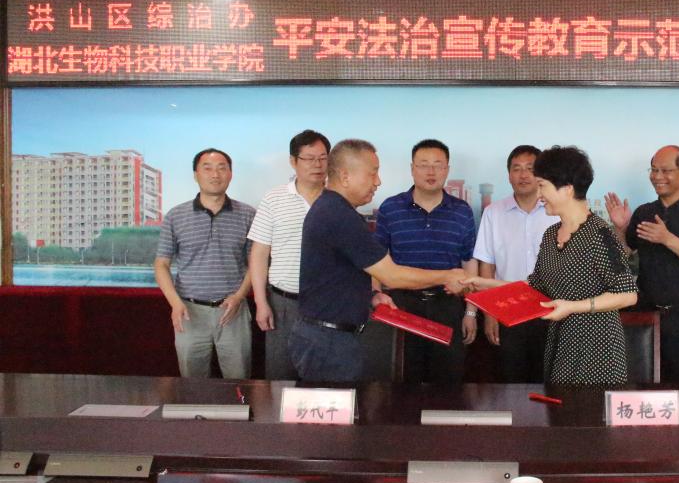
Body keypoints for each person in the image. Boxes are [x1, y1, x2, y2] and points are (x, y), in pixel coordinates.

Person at [293, 139, 467, 383]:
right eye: (372, 173)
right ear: (345, 176)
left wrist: (372, 296)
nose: (378, 182)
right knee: (333, 408)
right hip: (328, 343)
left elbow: (339, 275)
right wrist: (448, 275)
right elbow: (391, 275)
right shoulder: (338, 215)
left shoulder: (336, 210)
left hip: (331, 338)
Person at [464, 146, 637, 386]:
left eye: (543, 186)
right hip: (559, 341)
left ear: (567, 189)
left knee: (586, 409)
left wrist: (572, 307)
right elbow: (534, 285)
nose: (539, 194)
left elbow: (627, 294)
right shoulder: (551, 235)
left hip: (596, 347)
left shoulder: (600, 234)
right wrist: (483, 284)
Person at [604, 145, 679, 383]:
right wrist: (621, 228)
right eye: (654, 170)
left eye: (665, 170)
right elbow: (624, 253)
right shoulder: (644, 212)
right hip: (645, 314)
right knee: (642, 384)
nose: (657, 176)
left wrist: (667, 238)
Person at [373, 139, 478, 384]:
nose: (431, 171)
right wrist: (376, 297)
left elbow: (469, 262)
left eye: (438, 165)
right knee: (402, 382)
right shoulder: (391, 208)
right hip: (401, 306)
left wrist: (471, 312)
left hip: (447, 306)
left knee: (448, 383)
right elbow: (376, 260)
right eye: (423, 165)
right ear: (412, 169)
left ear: (447, 170)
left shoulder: (462, 211)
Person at [155, 148, 256, 379]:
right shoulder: (175, 216)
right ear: (196, 175)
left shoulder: (248, 215)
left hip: (233, 312)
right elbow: (161, 264)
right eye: (207, 168)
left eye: (222, 168)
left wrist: (239, 296)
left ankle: (237, 406)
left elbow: (256, 264)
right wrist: (175, 303)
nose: (215, 174)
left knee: (239, 383)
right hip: (189, 312)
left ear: (230, 174)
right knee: (192, 383)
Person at [247, 129, 330, 380]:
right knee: (281, 375)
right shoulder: (274, 199)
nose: (317, 165)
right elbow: (259, 254)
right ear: (293, 161)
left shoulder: (338, 199)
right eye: (309, 158)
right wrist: (261, 302)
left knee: (324, 376)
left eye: (323, 158)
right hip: (283, 303)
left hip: (327, 304)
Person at [473, 145, 559, 382]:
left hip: (552, 309)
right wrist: (490, 314)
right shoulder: (493, 213)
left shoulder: (557, 212)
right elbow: (486, 266)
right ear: (509, 175)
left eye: (530, 169)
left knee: (549, 381)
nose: (523, 175)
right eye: (516, 169)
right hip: (508, 311)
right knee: (510, 380)